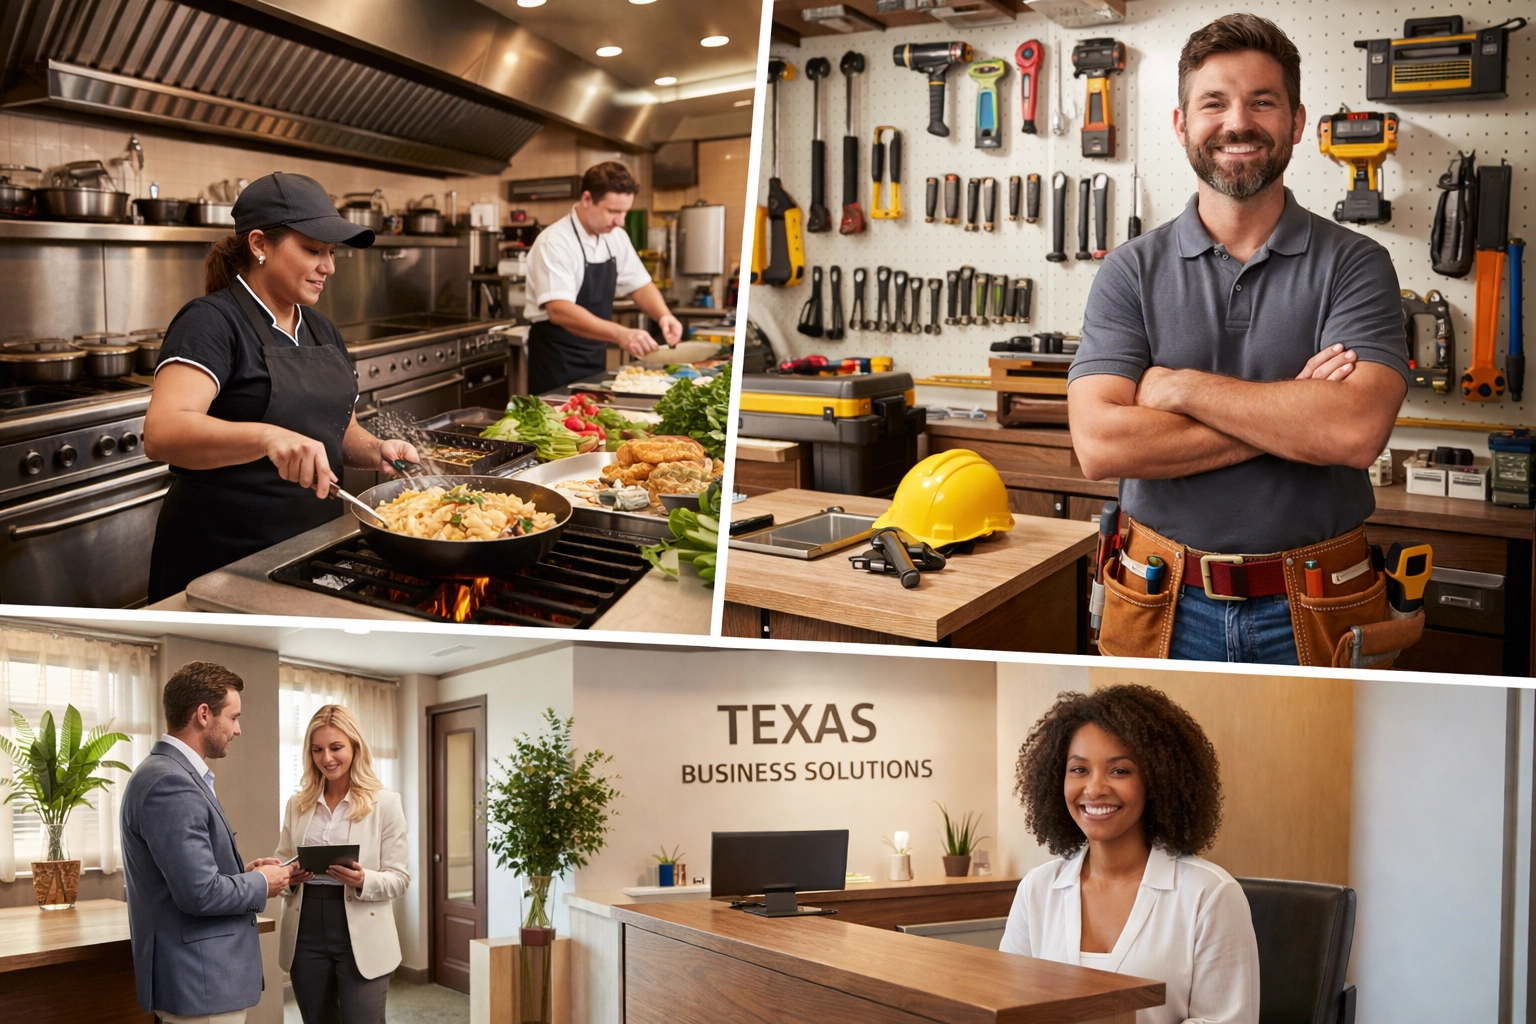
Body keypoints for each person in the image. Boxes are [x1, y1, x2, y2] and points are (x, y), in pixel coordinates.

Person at [1066, 15, 1413, 666]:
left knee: (1323, 772)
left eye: (1262, 101)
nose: (1238, 122)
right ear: (1181, 124)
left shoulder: (1356, 264)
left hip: (1320, 602)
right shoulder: (1130, 271)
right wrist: (1294, 418)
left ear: (1296, 121)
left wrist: (1181, 388)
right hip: (1157, 597)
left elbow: (1354, 432)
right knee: (1156, 770)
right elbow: (1100, 444)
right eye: (1214, 103)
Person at [143, 171, 420, 602]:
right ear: (259, 245)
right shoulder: (211, 321)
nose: (327, 266)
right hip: (223, 560)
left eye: (330, 253)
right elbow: (163, 434)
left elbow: (336, 428)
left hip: (311, 550)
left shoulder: (322, 329)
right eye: (312, 250)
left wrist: (376, 449)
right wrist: (268, 438)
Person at [1001, 685, 1259, 1024]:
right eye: (1079, 769)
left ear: (1156, 780)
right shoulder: (1037, 888)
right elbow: (1009, 1004)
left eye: (1119, 770)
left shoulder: (1210, 894)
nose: (1094, 789)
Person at [121, 662, 293, 1024]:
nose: (238, 729)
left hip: (200, 981)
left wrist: (243, 874)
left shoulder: (167, 774)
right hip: (201, 982)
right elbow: (200, 894)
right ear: (203, 714)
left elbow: (187, 877)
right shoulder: (171, 783)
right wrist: (263, 883)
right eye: (233, 717)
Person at [276, 704, 409, 1024]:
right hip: (306, 927)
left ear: (355, 747)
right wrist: (291, 875)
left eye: (336, 748)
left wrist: (364, 879)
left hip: (362, 928)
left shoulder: (385, 803)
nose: (327, 758)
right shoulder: (298, 803)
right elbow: (283, 859)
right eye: (317, 749)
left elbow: (399, 878)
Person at [523, 161, 683, 394]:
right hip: (556, 360)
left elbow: (639, 285)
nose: (620, 221)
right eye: (613, 211)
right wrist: (621, 334)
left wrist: (664, 315)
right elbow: (559, 310)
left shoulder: (615, 236)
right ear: (587, 200)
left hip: (594, 356)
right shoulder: (555, 241)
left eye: (624, 212)